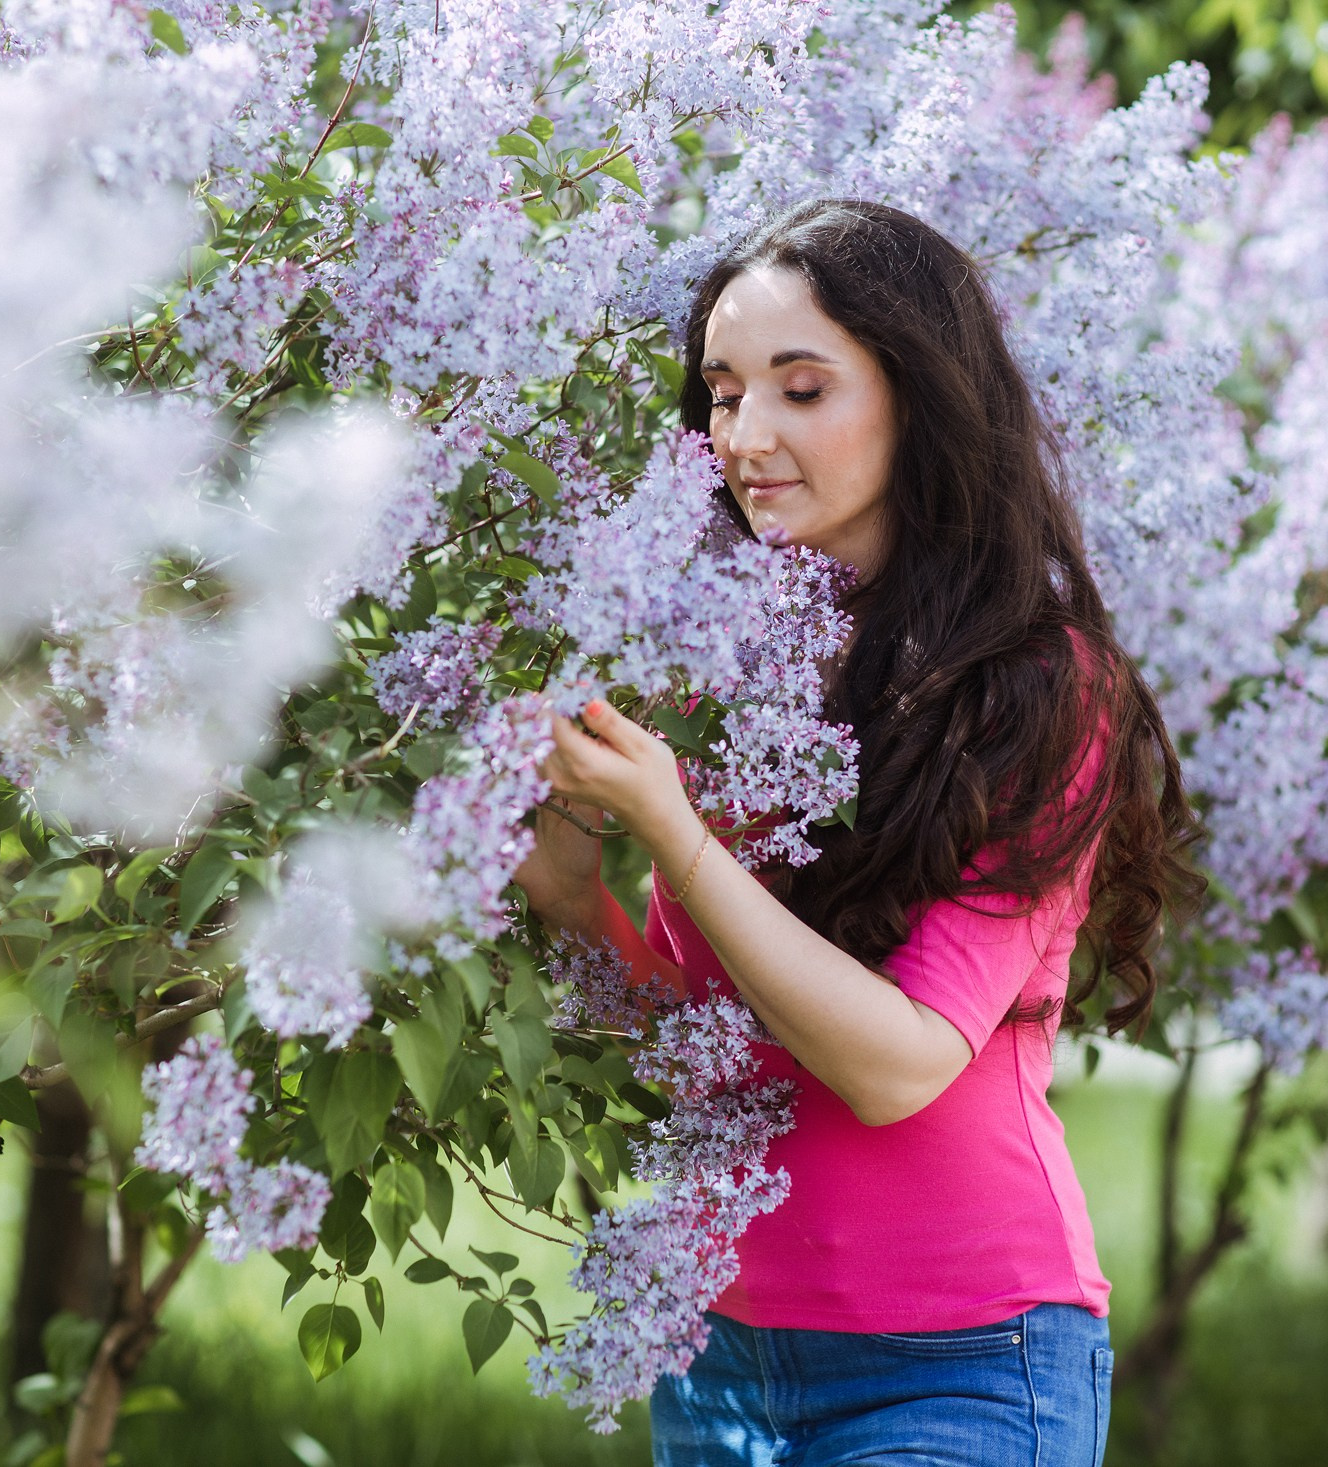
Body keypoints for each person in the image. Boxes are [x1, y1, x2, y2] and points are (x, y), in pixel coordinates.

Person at [512, 198, 1202, 1467]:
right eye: (722, 395)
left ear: (919, 401)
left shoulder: (1039, 691)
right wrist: (570, 900)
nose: (745, 436)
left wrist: (673, 834)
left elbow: (895, 1067)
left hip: (962, 1364)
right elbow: (715, 1048)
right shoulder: (720, 676)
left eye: (801, 389)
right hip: (718, 1363)